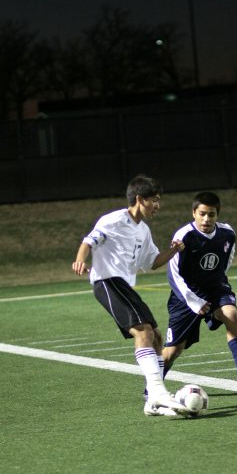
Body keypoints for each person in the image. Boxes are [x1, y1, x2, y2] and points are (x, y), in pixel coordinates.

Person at [72, 174, 190, 417]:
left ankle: (152, 400)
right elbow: (89, 241)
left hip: (124, 286)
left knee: (156, 337)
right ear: (140, 199)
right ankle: (157, 393)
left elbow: (152, 263)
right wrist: (80, 260)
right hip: (107, 281)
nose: (157, 205)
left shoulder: (143, 230)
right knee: (143, 332)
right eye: (154, 200)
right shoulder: (113, 220)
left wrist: (173, 250)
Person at [162, 190, 237, 393]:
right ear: (194, 213)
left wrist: (217, 284)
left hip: (215, 289)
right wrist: (194, 301)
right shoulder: (184, 236)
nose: (206, 219)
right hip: (186, 296)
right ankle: (153, 388)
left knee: (231, 313)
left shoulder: (227, 234)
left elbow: (225, 263)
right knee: (174, 350)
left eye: (211, 214)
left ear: (217, 215)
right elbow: (173, 275)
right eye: (202, 213)